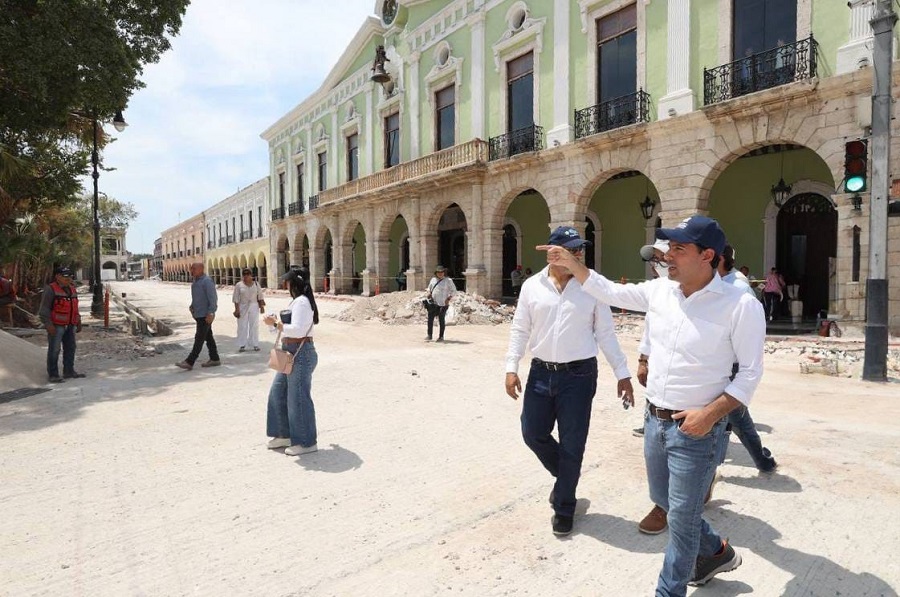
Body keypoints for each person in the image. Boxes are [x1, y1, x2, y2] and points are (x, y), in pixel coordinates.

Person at [538, 216, 765, 595]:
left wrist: (709, 416)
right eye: (668, 248)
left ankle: (669, 589)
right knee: (667, 502)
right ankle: (717, 553)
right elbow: (608, 291)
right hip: (655, 420)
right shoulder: (661, 292)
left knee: (682, 518)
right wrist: (572, 263)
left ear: (708, 255)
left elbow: (751, 375)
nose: (667, 256)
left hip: (697, 430)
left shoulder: (740, 305)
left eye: (679, 249)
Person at [505, 226, 634, 537]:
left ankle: (564, 505)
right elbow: (520, 329)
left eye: (580, 250)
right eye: (571, 249)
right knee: (532, 432)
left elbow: (605, 333)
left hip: (579, 376)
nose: (578, 255)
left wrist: (622, 372)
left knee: (573, 443)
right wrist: (512, 366)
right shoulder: (532, 286)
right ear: (554, 252)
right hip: (540, 372)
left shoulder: (591, 287)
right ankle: (566, 478)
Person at [264, 268, 319, 456]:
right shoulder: (297, 302)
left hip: (300, 353)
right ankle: (284, 433)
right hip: (290, 352)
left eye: (287, 282)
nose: (285, 285)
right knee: (278, 392)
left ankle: (306, 442)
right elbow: (287, 330)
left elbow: (297, 330)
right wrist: (274, 324)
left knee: (298, 399)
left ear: (293, 283)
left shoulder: (302, 302)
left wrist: (275, 324)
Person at [633, 239, 670, 439]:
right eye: (653, 259)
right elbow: (649, 330)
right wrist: (643, 360)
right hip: (657, 362)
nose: (654, 263)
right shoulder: (656, 289)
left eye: (658, 258)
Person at [39, 266, 84, 383]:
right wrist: (48, 324)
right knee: (54, 349)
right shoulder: (50, 289)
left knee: (71, 348)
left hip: (71, 324)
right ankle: (53, 374)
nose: (68, 278)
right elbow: (44, 309)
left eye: (70, 276)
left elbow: (75, 307)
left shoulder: (72, 289)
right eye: (65, 276)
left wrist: (78, 321)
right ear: (57, 277)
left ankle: (69, 371)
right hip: (56, 325)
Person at [176, 262, 220, 370]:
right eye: (191, 269)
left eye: (194, 268)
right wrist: (192, 306)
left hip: (205, 315)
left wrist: (211, 312)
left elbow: (213, 299)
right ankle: (215, 358)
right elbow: (197, 298)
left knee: (199, 338)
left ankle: (190, 361)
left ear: (201, 269)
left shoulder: (207, 281)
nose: (192, 270)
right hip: (198, 314)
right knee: (208, 337)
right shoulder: (195, 282)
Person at [232, 268, 265, 352]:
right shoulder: (239, 285)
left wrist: (262, 307)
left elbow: (260, 296)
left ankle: (255, 344)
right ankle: (242, 344)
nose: (246, 276)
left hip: (254, 305)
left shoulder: (256, 284)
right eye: (244, 274)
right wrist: (237, 310)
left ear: (251, 275)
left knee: (254, 325)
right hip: (243, 306)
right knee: (242, 325)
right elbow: (236, 298)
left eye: (248, 274)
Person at [425, 265, 456, 342]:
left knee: (441, 320)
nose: (440, 273)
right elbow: (429, 288)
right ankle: (429, 335)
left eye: (441, 272)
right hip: (433, 303)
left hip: (443, 304)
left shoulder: (448, 280)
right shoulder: (433, 280)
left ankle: (441, 336)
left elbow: (454, 291)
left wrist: (448, 299)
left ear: (444, 272)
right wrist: (429, 293)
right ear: (436, 273)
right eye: (439, 272)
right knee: (430, 319)